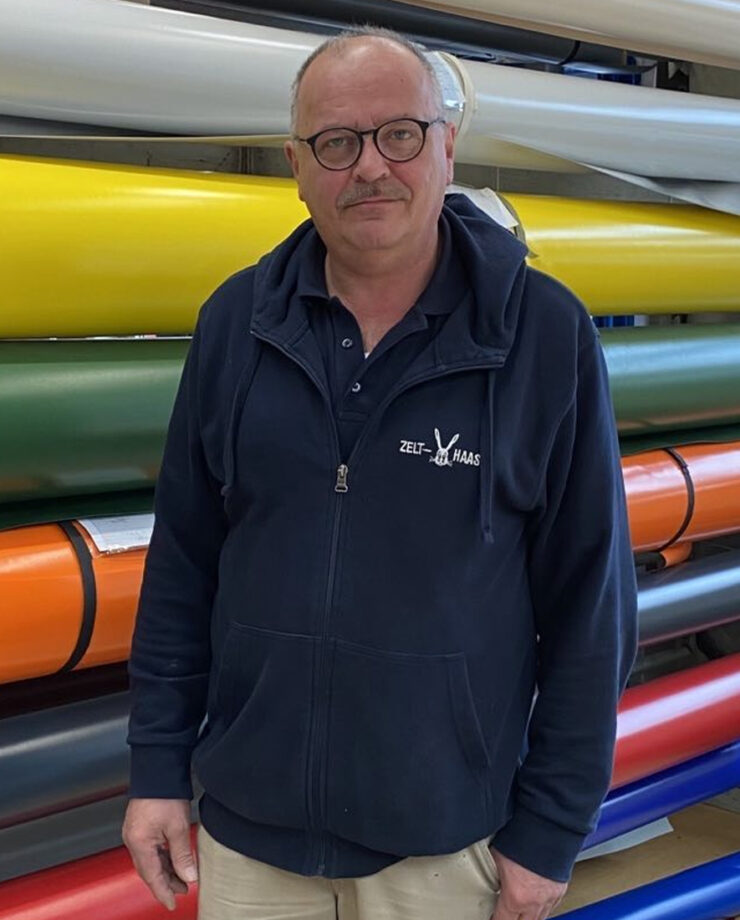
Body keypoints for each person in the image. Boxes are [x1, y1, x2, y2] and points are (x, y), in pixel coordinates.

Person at [123, 26, 638, 920]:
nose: (369, 166)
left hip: (446, 846)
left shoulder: (545, 336)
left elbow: (591, 603)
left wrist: (551, 828)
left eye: (399, 134)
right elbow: (183, 567)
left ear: (446, 145)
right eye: (336, 142)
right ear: (296, 165)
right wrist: (157, 770)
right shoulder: (235, 324)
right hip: (248, 837)